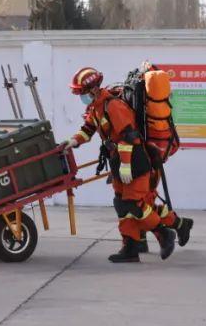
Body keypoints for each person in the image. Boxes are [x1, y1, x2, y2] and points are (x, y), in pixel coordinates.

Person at [63, 67, 176, 263]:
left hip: (135, 160)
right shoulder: (96, 108)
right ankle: (130, 247)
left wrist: (126, 165)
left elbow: (129, 136)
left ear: (94, 90)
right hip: (118, 160)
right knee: (121, 205)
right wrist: (73, 141)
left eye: (82, 93)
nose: (81, 97)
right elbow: (88, 129)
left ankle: (164, 233)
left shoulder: (113, 106)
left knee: (135, 204)